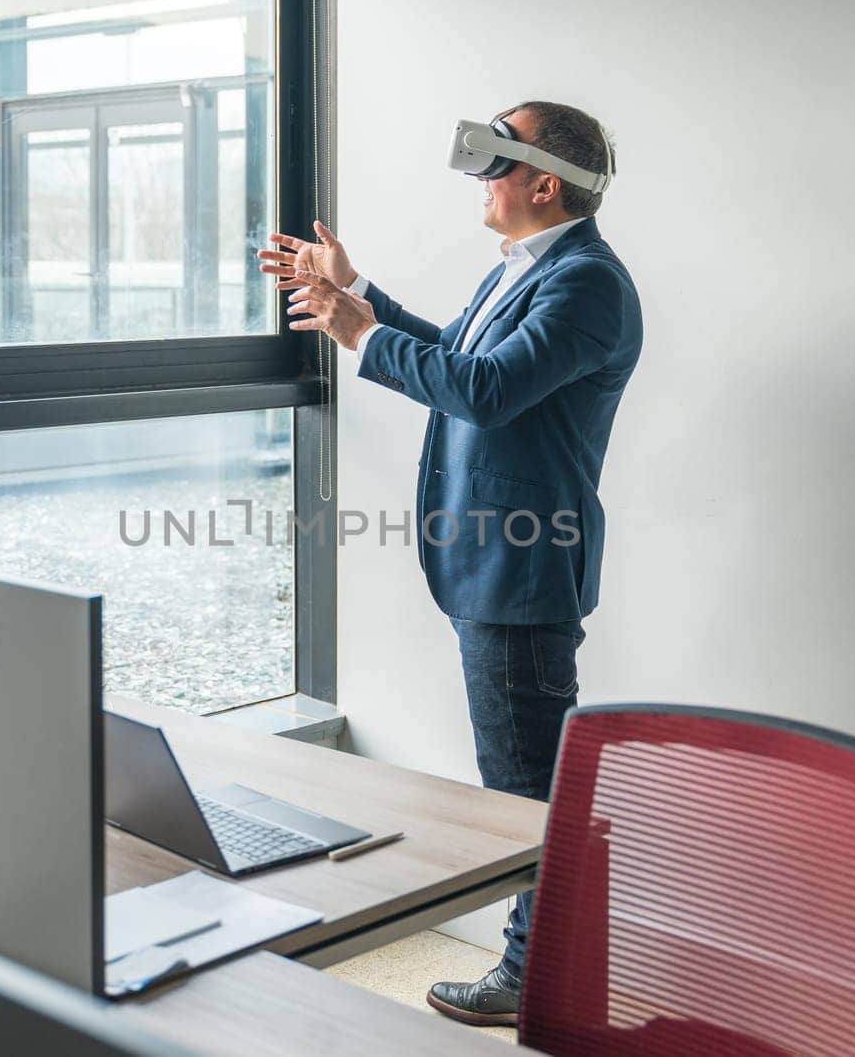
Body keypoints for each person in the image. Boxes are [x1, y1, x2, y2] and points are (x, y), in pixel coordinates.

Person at [256, 100, 641, 1027]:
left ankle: (533, 975)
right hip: (493, 566)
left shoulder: (586, 283)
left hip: (523, 574)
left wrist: (355, 332)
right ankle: (553, 968)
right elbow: (453, 354)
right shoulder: (528, 269)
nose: (481, 185)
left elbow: (487, 391)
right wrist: (362, 294)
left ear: (543, 184)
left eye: (493, 168)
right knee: (525, 779)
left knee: (525, 794)